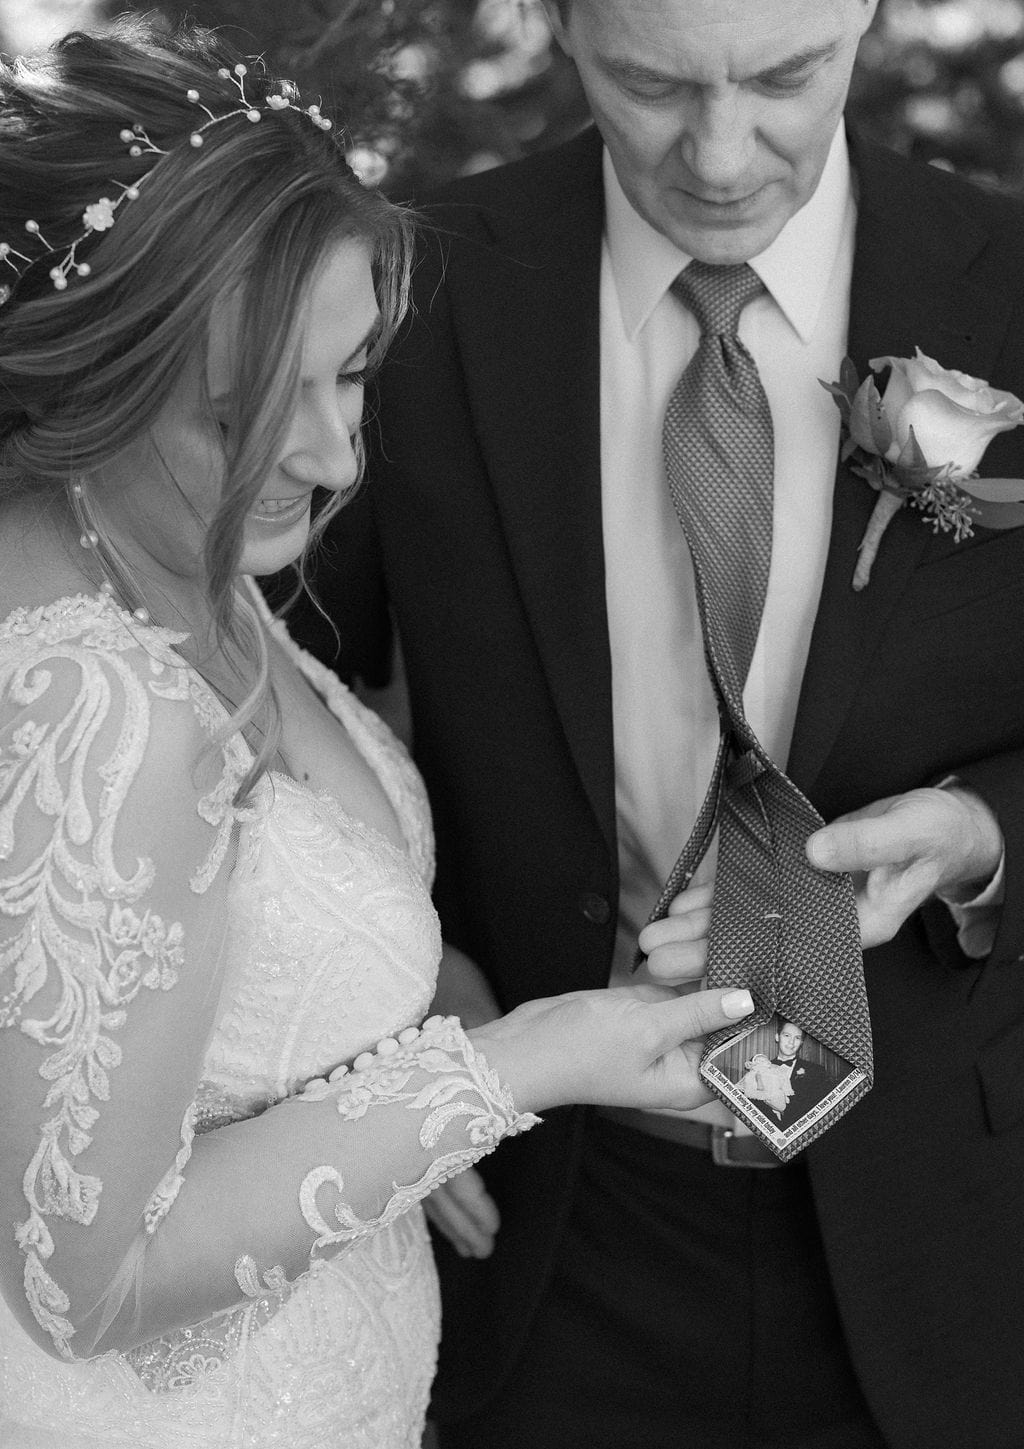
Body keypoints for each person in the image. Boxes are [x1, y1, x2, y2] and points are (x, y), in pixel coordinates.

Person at [0, 19, 759, 1448]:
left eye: (349, 372)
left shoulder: (165, 541)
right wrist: (524, 1062)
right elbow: (87, 1283)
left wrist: (421, 1002)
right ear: (90, 375)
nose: (335, 455)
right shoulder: (96, 711)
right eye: (243, 410)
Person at [296, 0, 1024, 1445]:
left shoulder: (1011, 282)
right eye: (650, 83)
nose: (720, 153)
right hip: (546, 1221)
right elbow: (275, 689)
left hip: (960, 1223)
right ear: (560, 23)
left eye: (784, 78)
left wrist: (983, 832)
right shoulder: (411, 288)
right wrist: (403, 975)